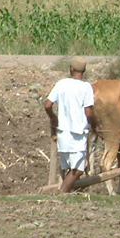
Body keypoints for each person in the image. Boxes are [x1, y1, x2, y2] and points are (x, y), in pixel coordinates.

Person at [43, 57, 97, 193]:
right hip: (78, 134)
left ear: (71, 69)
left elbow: (48, 105)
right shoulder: (86, 87)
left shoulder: (61, 84)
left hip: (62, 133)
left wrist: (53, 117)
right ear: (84, 70)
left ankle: (65, 191)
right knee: (78, 169)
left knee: (66, 166)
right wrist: (94, 125)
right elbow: (89, 112)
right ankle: (63, 192)